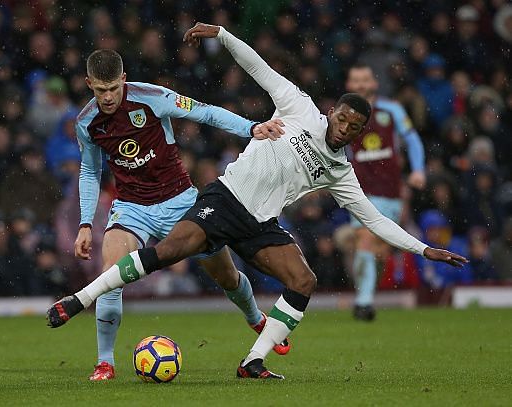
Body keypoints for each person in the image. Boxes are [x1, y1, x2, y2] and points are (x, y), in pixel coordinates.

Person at [48, 24, 467, 380]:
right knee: (166, 253)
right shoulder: (300, 108)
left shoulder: (341, 173)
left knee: (299, 281)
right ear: (332, 111)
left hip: (257, 223)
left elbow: (375, 219)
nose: (344, 128)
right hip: (224, 200)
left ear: (358, 134)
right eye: (342, 118)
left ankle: (253, 360)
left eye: (353, 127)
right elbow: (259, 68)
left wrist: (423, 248)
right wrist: (224, 35)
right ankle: (81, 307)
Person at [55, 49, 289, 381]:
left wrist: (251, 128)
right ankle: (105, 362)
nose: (107, 97)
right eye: (100, 90)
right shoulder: (86, 122)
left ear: (123, 80)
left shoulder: (153, 97)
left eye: (113, 89)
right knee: (111, 277)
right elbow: (90, 172)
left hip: (180, 200)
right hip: (132, 207)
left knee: (225, 276)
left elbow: (205, 113)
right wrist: (84, 223)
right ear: (89, 84)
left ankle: (254, 318)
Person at [344, 63, 426, 321]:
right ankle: (364, 303)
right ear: (349, 86)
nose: (360, 85)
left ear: (374, 84)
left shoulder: (391, 110)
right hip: (357, 190)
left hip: (389, 191)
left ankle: (365, 296)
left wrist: (418, 170)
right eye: (355, 81)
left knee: (376, 248)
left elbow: (411, 139)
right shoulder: (343, 115)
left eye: (364, 80)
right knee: (364, 241)